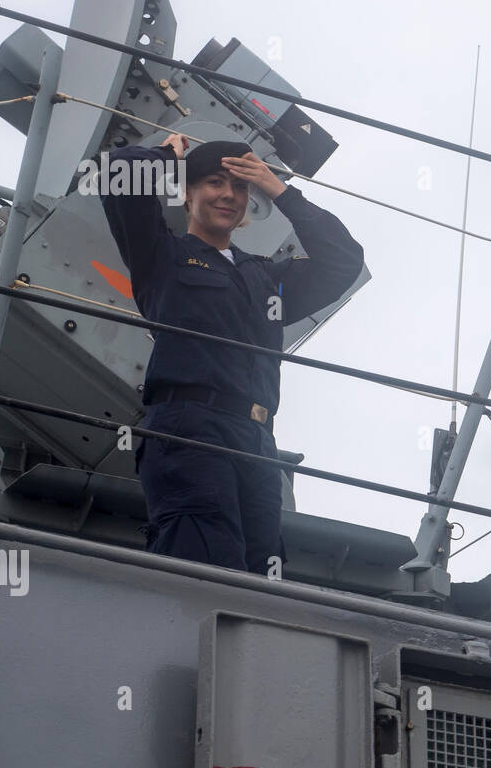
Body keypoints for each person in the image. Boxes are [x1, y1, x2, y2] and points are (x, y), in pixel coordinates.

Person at [98, 133, 365, 574]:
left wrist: (278, 188)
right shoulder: (162, 256)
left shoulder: (265, 277)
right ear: (187, 193)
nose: (228, 195)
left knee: (261, 578)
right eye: (213, 183)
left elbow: (343, 262)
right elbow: (119, 173)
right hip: (189, 430)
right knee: (204, 566)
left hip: (258, 442)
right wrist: (168, 155)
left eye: (240, 187)